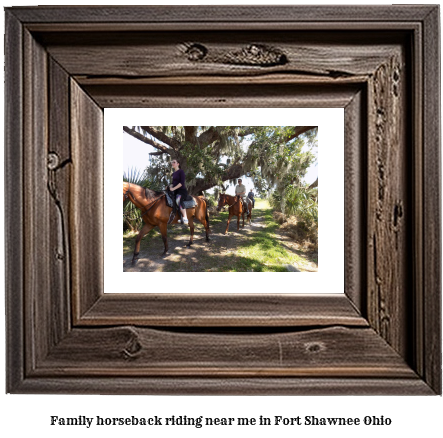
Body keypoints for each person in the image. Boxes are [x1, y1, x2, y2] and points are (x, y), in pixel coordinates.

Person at [169, 158, 189, 225]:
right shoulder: (174, 173)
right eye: (172, 162)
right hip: (175, 191)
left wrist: (173, 188)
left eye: (174, 162)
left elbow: (181, 183)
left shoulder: (181, 172)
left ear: (178, 164)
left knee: (178, 200)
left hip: (182, 191)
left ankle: (185, 218)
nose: (172, 163)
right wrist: (170, 186)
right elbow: (172, 183)